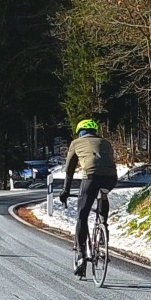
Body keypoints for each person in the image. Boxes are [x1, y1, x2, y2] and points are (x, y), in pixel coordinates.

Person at [59, 119, 117, 278]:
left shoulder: (76, 143)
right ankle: (103, 234)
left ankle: (80, 255)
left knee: (82, 216)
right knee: (102, 198)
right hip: (111, 178)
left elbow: (69, 171)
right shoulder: (105, 142)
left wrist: (65, 191)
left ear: (80, 132)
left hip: (90, 178)